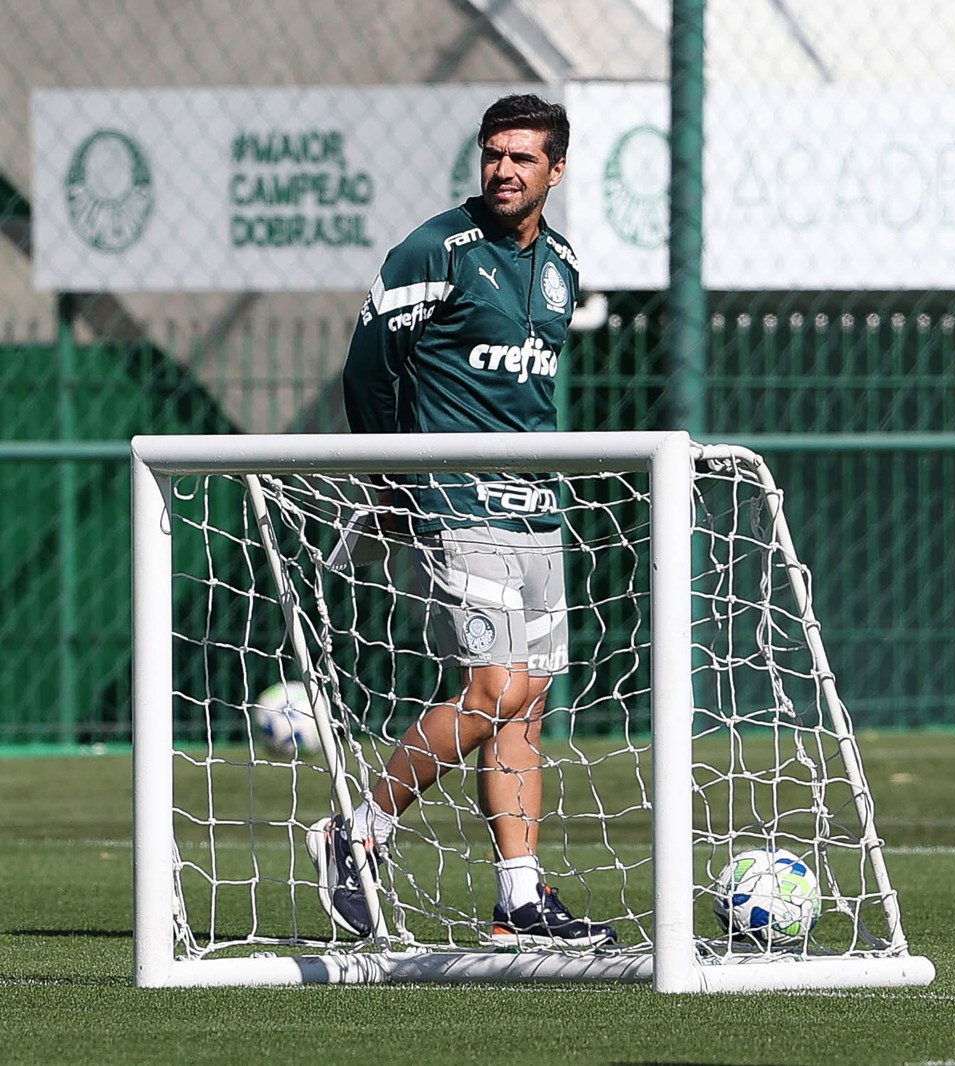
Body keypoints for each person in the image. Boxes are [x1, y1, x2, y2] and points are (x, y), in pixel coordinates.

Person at [306, 93, 616, 949]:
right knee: (493, 688)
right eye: (494, 153)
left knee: (528, 705)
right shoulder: (435, 250)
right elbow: (369, 369)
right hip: (456, 497)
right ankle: (357, 830)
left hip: (536, 506)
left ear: (556, 169)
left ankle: (519, 898)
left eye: (523, 157)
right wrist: (393, 481)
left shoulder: (561, 264)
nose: (505, 169)